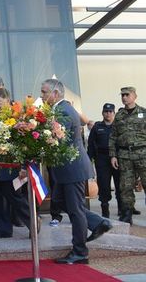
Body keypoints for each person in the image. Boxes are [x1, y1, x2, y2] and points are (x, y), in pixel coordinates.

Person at [40, 79, 112, 265]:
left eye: (44, 91)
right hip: (66, 169)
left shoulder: (63, 111)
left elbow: (59, 141)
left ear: (55, 93)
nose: (41, 95)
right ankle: (98, 222)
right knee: (63, 203)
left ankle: (80, 251)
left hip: (72, 168)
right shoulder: (59, 109)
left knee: (76, 210)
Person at [0, 88, 34, 240]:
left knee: (15, 198)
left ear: (7, 101)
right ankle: (3, 229)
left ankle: (34, 222)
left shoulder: (16, 118)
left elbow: (24, 144)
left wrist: (22, 167)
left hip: (12, 167)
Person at [109, 87, 146, 225]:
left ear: (134, 96)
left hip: (143, 154)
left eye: (127, 95)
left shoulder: (143, 112)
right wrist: (113, 155)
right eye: (122, 95)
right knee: (125, 186)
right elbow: (113, 137)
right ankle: (127, 214)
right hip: (125, 156)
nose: (124, 97)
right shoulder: (118, 116)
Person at [87, 103, 120, 218]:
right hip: (102, 159)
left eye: (110, 111)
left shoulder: (118, 126)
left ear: (114, 113)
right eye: (106, 111)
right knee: (104, 184)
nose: (108, 114)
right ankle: (105, 208)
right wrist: (88, 161)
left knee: (119, 184)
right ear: (102, 113)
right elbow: (91, 145)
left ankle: (121, 208)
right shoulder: (97, 127)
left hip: (117, 158)